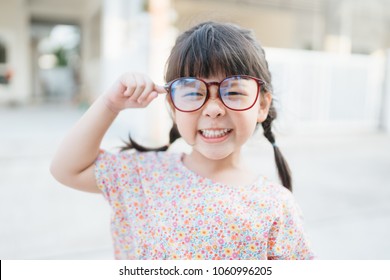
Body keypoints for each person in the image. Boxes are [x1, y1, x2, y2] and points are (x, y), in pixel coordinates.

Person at [50, 21, 314, 260]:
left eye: (233, 91)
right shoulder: (145, 176)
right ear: (173, 106)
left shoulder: (275, 206)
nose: (213, 109)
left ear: (261, 105)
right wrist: (110, 103)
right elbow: (66, 169)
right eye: (193, 92)